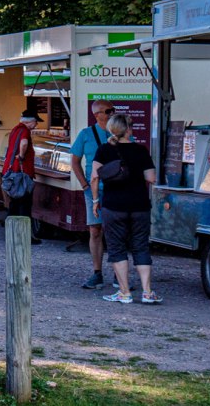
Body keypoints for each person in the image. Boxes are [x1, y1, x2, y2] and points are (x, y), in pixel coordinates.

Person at [93, 113, 160, 305]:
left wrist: (95, 201)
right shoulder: (141, 150)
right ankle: (147, 292)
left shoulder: (104, 150)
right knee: (140, 246)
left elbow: (94, 177)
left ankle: (124, 292)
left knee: (116, 248)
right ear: (129, 129)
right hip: (139, 205)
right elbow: (151, 178)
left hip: (113, 206)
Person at [70, 100, 114, 290]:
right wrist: (85, 184)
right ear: (98, 115)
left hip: (116, 189)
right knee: (95, 230)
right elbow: (74, 161)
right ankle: (97, 273)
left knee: (116, 231)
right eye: (109, 111)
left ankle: (119, 274)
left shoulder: (119, 132)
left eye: (113, 110)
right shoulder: (86, 135)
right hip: (93, 190)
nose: (113, 113)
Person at [2, 109, 42, 244]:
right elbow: (24, 143)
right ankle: (25, 236)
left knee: (14, 203)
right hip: (22, 172)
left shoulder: (14, 129)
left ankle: (11, 232)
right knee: (24, 205)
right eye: (36, 122)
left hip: (13, 170)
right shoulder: (25, 130)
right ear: (30, 121)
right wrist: (22, 155)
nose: (36, 125)